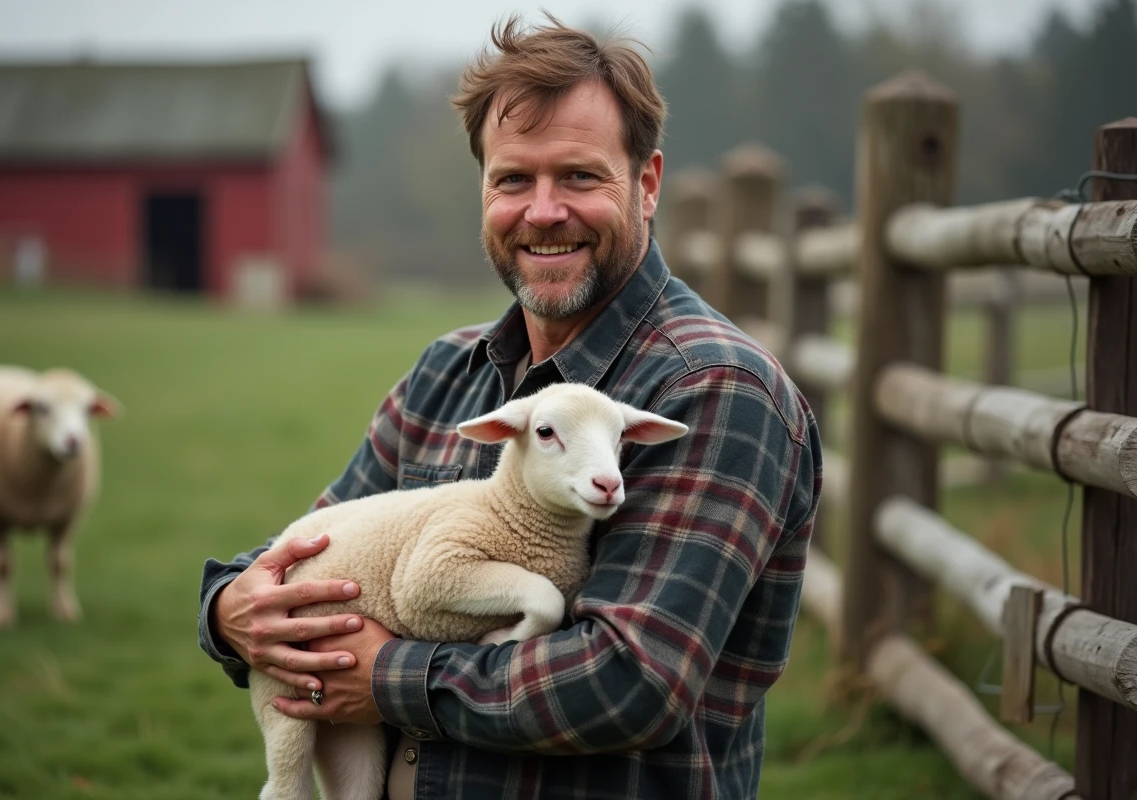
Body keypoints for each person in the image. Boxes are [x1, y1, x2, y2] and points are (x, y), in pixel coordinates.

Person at [198, 14, 821, 800]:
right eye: (513, 179)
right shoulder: (446, 374)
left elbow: (628, 680)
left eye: (581, 177)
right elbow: (311, 562)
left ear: (648, 183)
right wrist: (228, 609)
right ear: (484, 190)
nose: (544, 211)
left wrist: (388, 674)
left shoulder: (715, 392)